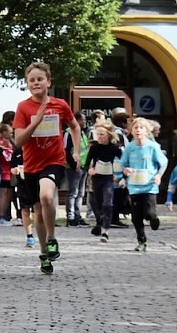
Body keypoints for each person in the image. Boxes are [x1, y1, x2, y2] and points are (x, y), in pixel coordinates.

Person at [12, 62, 81, 275]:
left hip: (54, 161)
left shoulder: (60, 105)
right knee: (38, 214)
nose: (36, 83)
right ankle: (44, 252)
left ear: (48, 82)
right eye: (31, 80)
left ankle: (52, 238)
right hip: (32, 165)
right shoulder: (23, 107)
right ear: (27, 84)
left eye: (40, 79)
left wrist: (76, 151)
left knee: (46, 195)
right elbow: (18, 141)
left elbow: (75, 127)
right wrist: (36, 122)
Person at [118, 117, 168, 252]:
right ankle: (141, 241)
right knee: (136, 217)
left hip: (149, 186)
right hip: (134, 187)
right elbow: (123, 163)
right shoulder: (130, 147)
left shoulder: (153, 147)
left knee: (149, 213)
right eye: (136, 128)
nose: (138, 130)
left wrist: (158, 175)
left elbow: (163, 163)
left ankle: (154, 219)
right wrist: (125, 170)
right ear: (131, 131)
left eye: (141, 128)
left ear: (147, 131)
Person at [85, 121, 123, 242]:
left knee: (107, 203)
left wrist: (121, 176)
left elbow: (124, 162)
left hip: (108, 179)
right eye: (98, 134)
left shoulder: (114, 148)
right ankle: (99, 222)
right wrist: (90, 170)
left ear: (109, 135)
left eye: (102, 134)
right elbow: (86, 164)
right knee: (98, 203)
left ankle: (105, 231)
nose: (99, 137)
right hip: (96, 178)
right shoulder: (94, 148)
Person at [64, 112, 89, 227]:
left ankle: (78, 216)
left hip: (83, 166)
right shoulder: (68, 133)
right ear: (77, 120)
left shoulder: (82, 133)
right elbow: (65, 150)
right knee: (73, 192)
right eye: (83, 119)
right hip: (73, 168)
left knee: (80, 193)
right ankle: (71, 217)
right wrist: (74, 164)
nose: (85, 121)